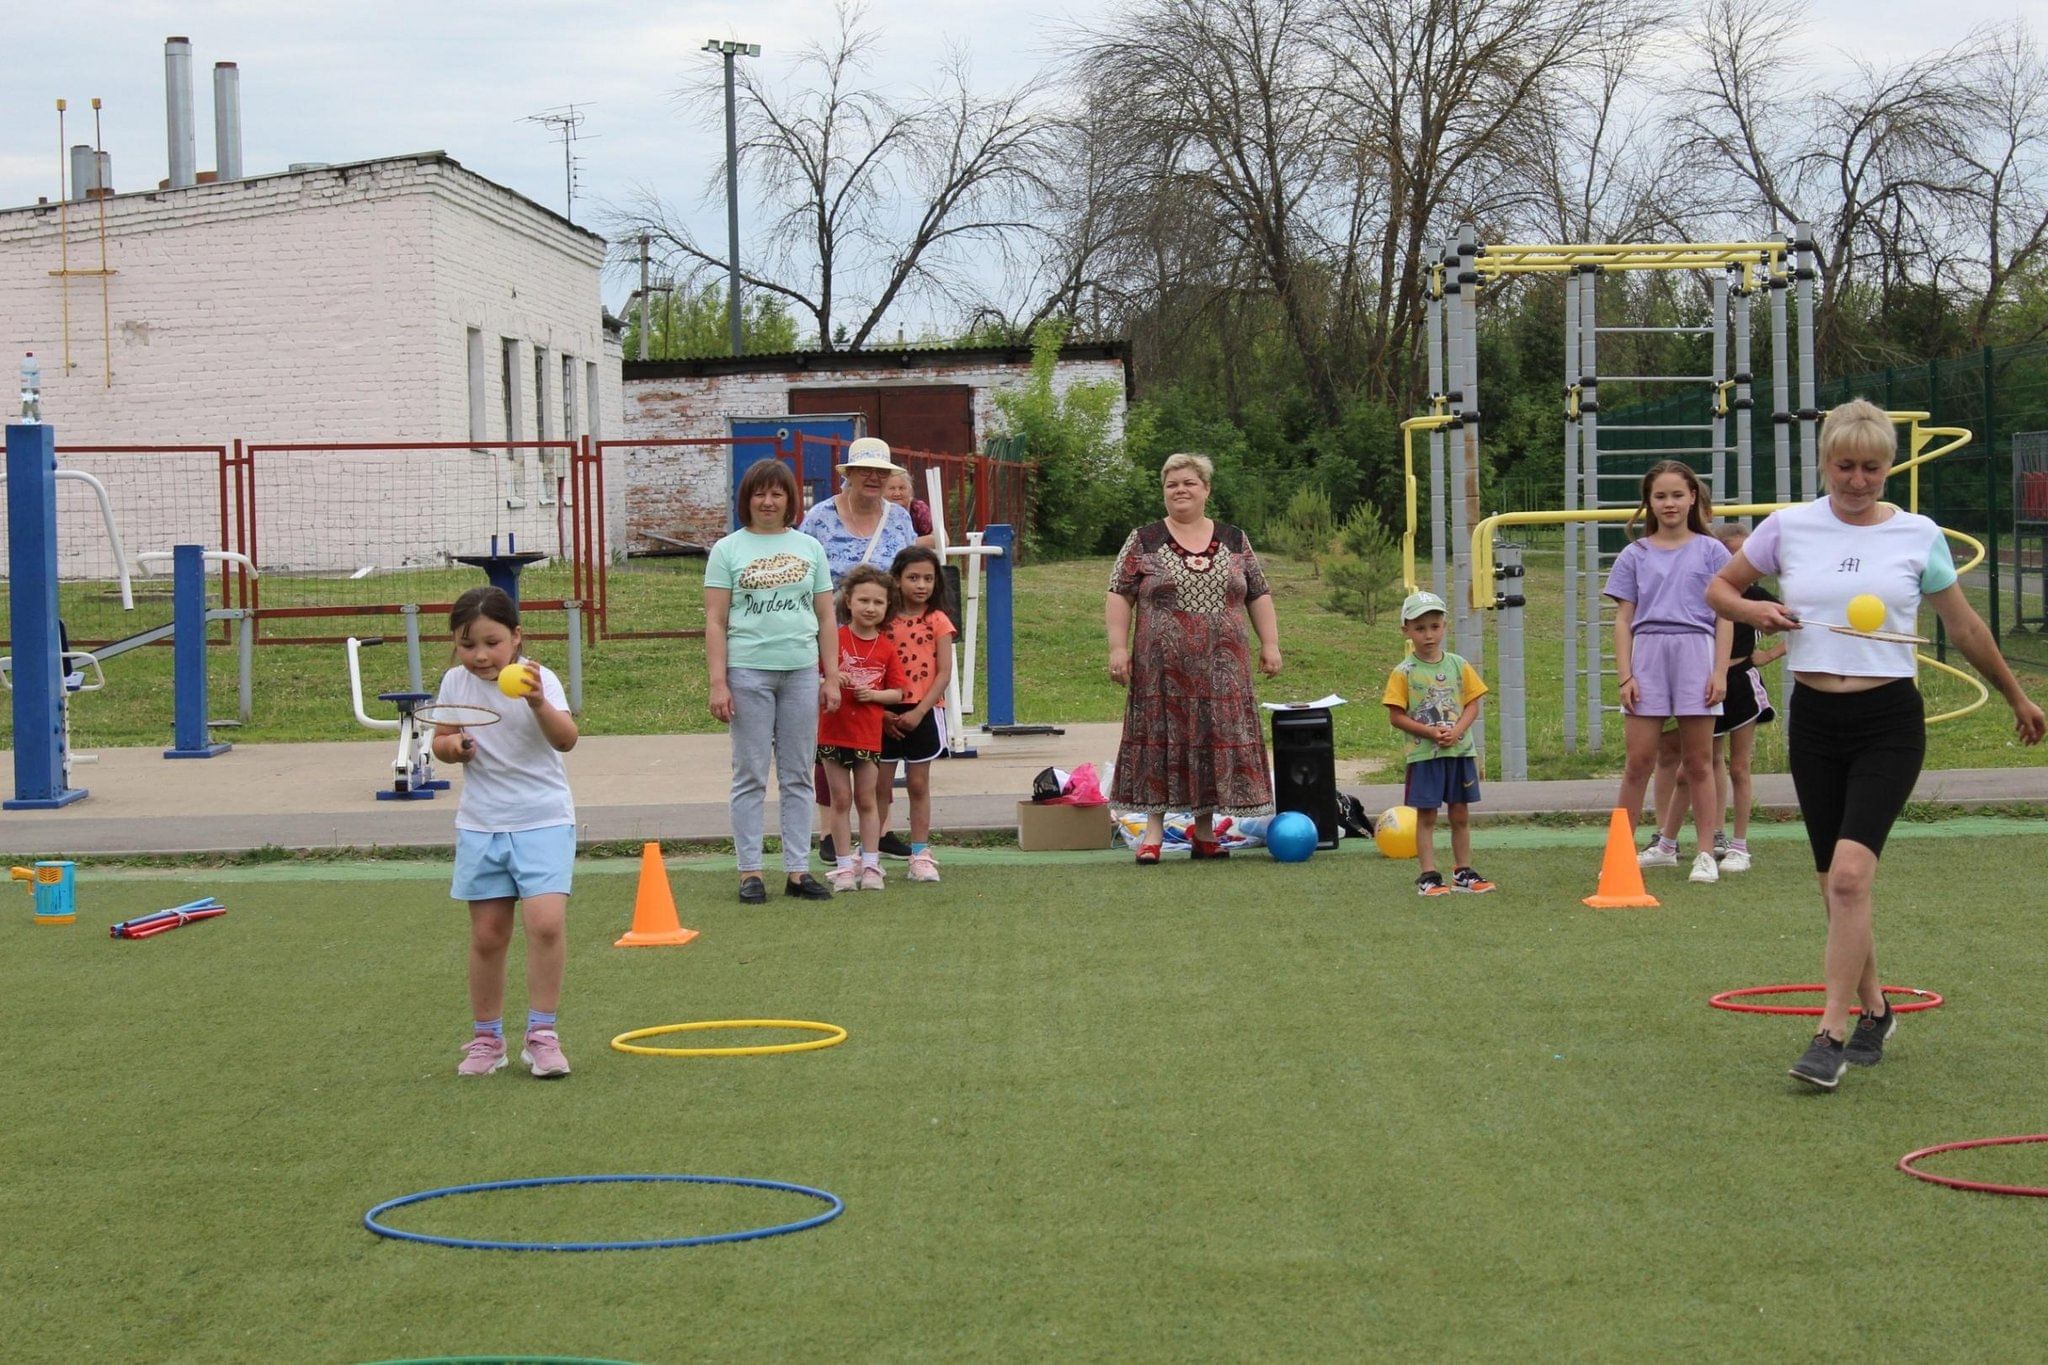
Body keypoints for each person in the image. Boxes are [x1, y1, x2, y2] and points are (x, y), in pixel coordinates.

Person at [1709, 398, 2046, 1089]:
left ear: (1890, 467)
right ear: (1826, 462)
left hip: (1889, 722)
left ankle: (1829, 1032)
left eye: (1871, 467)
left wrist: (2017, 694)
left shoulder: (1918, 535)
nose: (1857, 480)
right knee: (1831, 886)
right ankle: (1876, 1008)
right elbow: (1719, 587)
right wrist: (1755, 610)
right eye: (1844, 466)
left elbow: (1969, 627)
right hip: (1816, 723)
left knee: (1851, 876)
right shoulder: (1789, 527)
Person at [429, 587, 580, 1079]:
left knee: (546, 924)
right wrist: (457, 749)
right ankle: (487, 1039)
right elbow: (441, 742)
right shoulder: (455, 681)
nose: (480, 656)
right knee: (488, 935)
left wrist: (537, 702)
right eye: (467, 645)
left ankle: (542, 1036)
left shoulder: (540, 679)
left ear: (516, 637)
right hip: (482, 823)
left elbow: (566, 740)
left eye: (492, 642)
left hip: (543, 818)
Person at [1105, 452, 1281, 863]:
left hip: (1224, 671)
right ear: (1163, 493)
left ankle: (1204, 834)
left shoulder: (1235, 539)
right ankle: (1153, 834)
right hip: (1160, 673)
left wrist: (1270, 644)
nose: (1180, 490)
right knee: (1159, 742)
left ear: (1206, 490)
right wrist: (1117, 648)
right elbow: (1119, 592)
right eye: (1171, 484)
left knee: (1210, 739)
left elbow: (1258, 592)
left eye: (1189, 483)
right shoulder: (1144, 539)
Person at [705, 459, 839, 905]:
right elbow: (716, 619)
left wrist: (831, 676)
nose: (768, 502)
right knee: (750, 775)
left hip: (800, 672)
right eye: (760, 494)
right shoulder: (727, 550)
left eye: (777, 494)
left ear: (790, 500)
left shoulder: (809, 548)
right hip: (748, 674)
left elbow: (825, 616)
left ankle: (798, 871)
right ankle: (750, 871)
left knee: (799, 775)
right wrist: (718, 682)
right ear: (747, 499)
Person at [1605, 460, 1734, 885]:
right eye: (1660, 496)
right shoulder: (1634, 555)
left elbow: (1725, 617)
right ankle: (1619, 853)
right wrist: (1626, 676)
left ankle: (1704, 853)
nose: (1669, 503)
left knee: (1699, 762)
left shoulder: (1712, 550)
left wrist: (1720, 672)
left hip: (1696, 654)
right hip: (1649, 656)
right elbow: (1624, 620)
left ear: (1693, 497)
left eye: (1677, 494)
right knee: (1639, 761)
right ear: (1649, 503)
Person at [1641, 522, 1785, 872]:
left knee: (1739, 766)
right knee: (1693, 767)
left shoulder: (1754, 595)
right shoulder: (1708, 591)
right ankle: (1668, 843)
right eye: (1734, 555)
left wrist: (1768, 655)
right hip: (1704, 685)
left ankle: (1738, 845)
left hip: (1739, 683)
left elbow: (1793, 619)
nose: (1742, 563)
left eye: (1747, 556)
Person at [1383, 590, 1495, 895]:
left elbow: (1473, 703)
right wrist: (1430, 733)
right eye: (1420, 628)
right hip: (1424, 757)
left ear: (1444, 626)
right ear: (1406, 630)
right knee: (1428, 815)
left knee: (1460, 813)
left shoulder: (1458, 665)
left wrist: (1457, 730)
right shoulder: (1403, 672)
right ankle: (1429, 875)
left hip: (1460, 752)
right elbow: (1396, 715)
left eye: (1434, 626)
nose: (1428, 635)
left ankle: (1463, 872)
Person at [818, 565, 909, 892]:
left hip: (868, 737)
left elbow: (898, 692)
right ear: (849, 602)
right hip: (832, 732)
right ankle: (844, 867)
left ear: (888, 607)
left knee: (867, 799)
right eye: (863, 600)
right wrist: (830, 678)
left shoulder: (886, 647)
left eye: (878, 602)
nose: (870, 608)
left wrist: (873, 695)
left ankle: (871, 864)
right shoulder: (835, 639)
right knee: (840, 799)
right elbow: (813, 679)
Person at [876, 546, 955, 884]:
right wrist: (881, 713)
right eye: (912, 577)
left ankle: (920, 853)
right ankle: (871, 849)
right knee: (877, 785)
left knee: (918, 784)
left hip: (924, 710)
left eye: (927, 578)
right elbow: (873, 665)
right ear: (896, 579)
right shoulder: (882, 620)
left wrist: (920, 711)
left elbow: (944, 673)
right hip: (883, 710)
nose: (920, 585)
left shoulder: (938, 621)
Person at [799, 437, 920, 584]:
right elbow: (801, 576)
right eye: (865, 470)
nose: (874, 477)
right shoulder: (819, 517)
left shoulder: (900, 518)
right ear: (849, 473)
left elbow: (913, 571)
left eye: (882, 472)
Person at [883, 468, 937, 548]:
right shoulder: (877, 510)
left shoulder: (918, 508)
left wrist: (902, 544)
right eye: (892, 488)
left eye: (901, 488)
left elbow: (942, 539)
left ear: (910, 490)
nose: (897, 493)